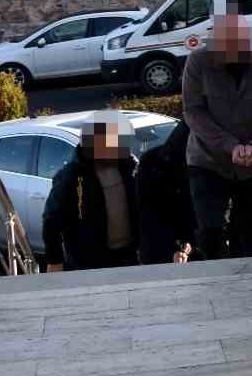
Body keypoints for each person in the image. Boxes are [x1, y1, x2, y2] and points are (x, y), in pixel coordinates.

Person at [182, 12, 252, 261]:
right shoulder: (198, 62)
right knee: (210, 229)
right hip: (208, 160)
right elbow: (193, 112)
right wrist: (231, 145)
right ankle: (218, 277)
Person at [41, 112, 140, 272]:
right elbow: (51, 220)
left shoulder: (129, 167)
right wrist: (54, 260)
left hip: (128, 256)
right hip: (88, 262)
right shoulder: (71, 176)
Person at [137, 119, 194, 265]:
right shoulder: (153, 165)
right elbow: (150, 216)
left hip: (190, 248)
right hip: (163, 252)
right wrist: (175, 249)